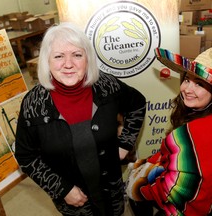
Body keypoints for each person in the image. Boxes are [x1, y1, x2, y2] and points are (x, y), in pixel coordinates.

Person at [14, 22, 146, 216]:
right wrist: (61, 189)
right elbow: (26, 157)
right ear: (47, 61)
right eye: (59, 56)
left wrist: (125, 144)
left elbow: (137, 104)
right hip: (74, 205)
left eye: (77, 55)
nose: (68, 64)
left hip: (112, 193)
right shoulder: (34, 103)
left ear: (88, 59)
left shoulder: (106, 85)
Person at [126, 47, 212, 216]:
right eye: (187, 79)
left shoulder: (193, 132)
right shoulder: (199, 119)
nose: (187, 89)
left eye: (199, 84)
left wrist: (138, 185)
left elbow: (173, 189)